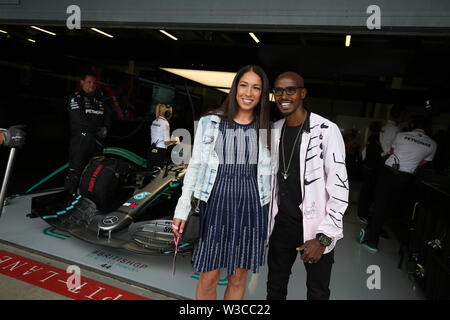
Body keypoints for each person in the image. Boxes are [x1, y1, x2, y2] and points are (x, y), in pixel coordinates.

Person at [172, 65, 272, 300]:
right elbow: (195, 167)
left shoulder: (265, 128)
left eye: (256, 88)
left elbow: (270, 178)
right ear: (235, 88)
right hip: (215, 206)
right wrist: (182, 208)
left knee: (238, 278)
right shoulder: (210, 122)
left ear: (262, 94)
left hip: (251, 209)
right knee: (209, 278)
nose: (249, 93)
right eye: (244, 85)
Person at [267, 71, 349, 300]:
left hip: (316, 230)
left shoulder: (326, 130)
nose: (283, 95)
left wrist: (324, 238)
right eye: (278, 90)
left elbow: (340, 188)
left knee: (317, 293)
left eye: (290, 90)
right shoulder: (273, 131)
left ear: (302, 93)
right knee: (274, 289)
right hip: (281, 227)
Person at [358, 116, 437, 252]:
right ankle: (373, 230)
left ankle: (372, 240)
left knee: (380, 205)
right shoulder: (433, 144)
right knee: (392, 208)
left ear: (412, 124)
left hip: (389, 172)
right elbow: (423, 162)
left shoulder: (401, 135)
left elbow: (392, 152)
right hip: (406, 178)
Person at [64, 72, 111, 197]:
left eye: (94, 83)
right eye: (89, 82)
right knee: (76, 171)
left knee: (95, 172)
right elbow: (79, 120)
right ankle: (69, 199)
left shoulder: (100, 99)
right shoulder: (76, 98)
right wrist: (97, 130)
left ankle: (89, 198)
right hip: (81, 141)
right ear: (82, 82)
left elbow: (107, 117)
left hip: (97, 142)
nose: (92, 85)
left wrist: (106, 128)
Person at [357, 121, 383, 223]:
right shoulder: (376, 139)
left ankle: (362, 213)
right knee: (368, 192)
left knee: (366, 191)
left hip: (368, 168)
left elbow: (364, 153)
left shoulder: (371, 138)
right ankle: (363, 214)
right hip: (372, 169)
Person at [149, 104, 178, 169]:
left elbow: (158, 135)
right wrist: (175, 141)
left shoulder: (154, 121)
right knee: (157, 174)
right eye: (170, 113)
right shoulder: (165, 123)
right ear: (167, 114)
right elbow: (166, 142)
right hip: (160, 151)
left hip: (152, 150)